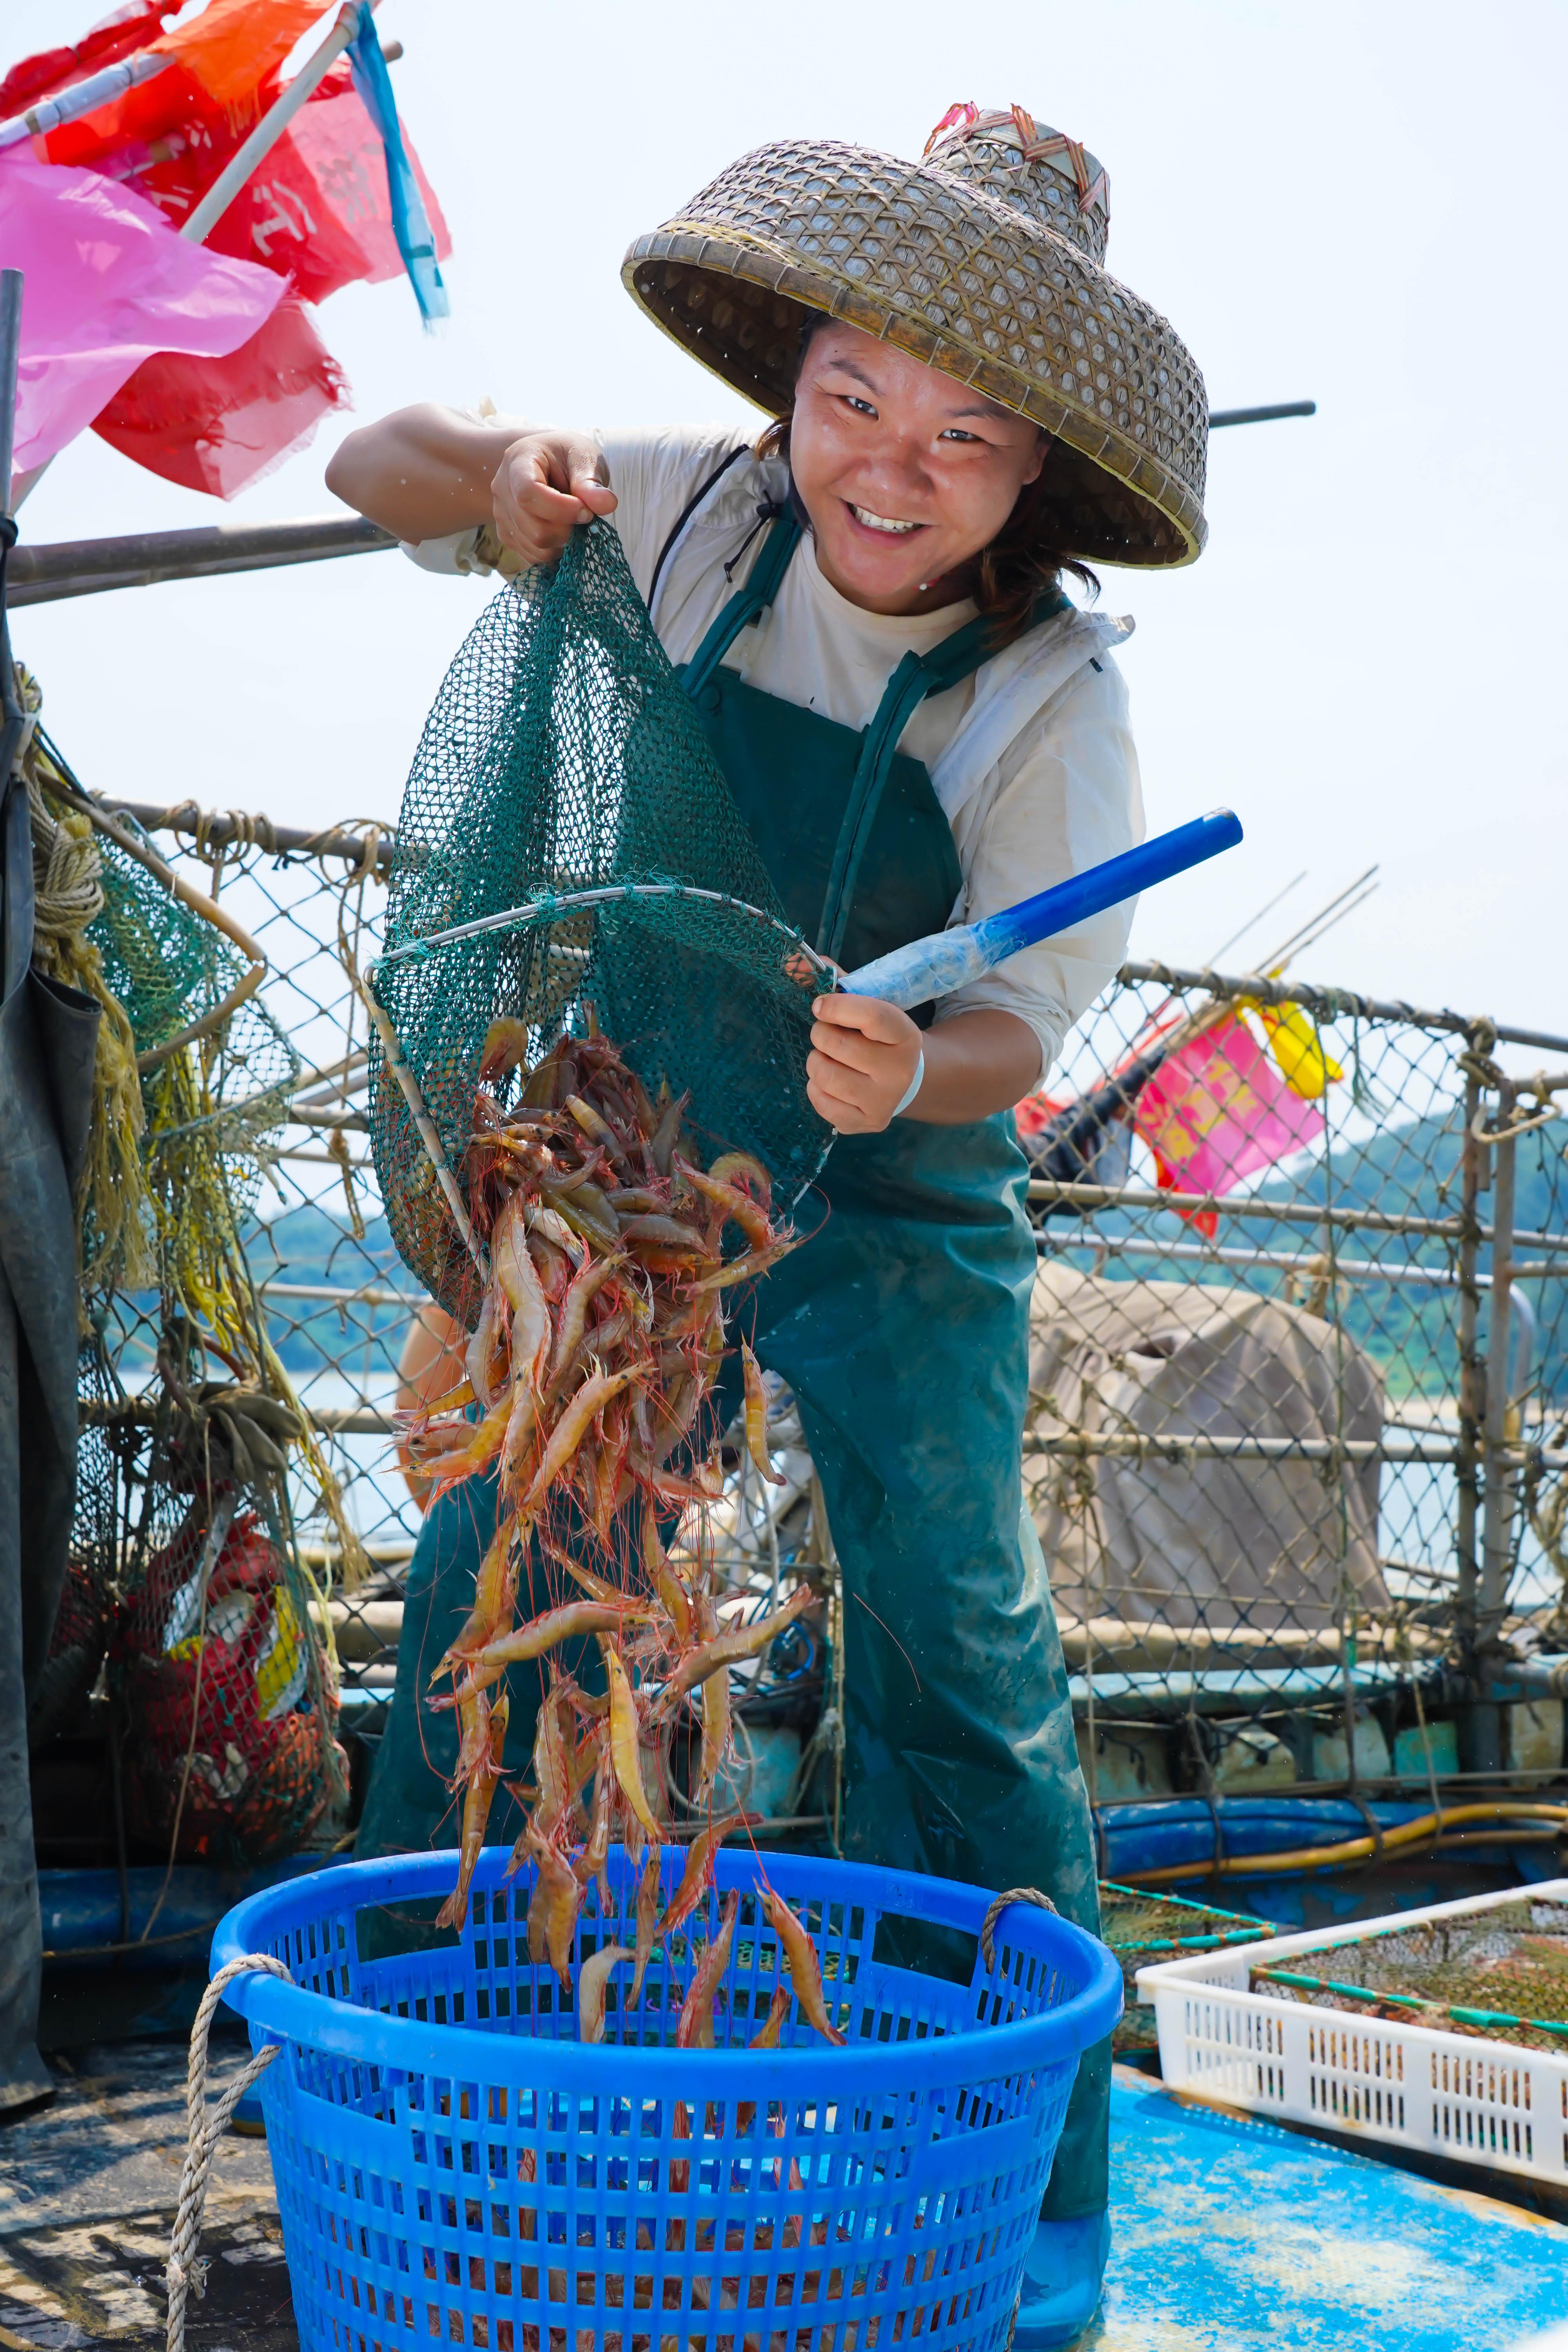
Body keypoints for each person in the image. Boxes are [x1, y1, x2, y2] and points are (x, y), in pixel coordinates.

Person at [332, 102, 1207, 2348]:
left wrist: (923, 1070)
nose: (888, 472)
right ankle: (460, 2111)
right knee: (504, 1574)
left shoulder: (1052, 699)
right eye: (850, 400)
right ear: (786, 375)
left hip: (905, 1194)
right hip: (644, 1181)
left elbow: (1026, 1022)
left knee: (961, 1652)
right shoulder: (690, 508)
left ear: (1040, 479)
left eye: (965, 437)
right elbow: (374, 460)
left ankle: (1016, 2222)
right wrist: (496, 485)